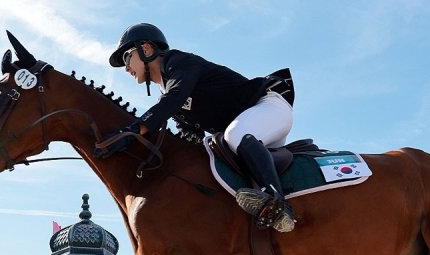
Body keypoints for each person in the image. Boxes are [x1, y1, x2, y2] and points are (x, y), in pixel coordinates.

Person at [98, 23, 296, 232]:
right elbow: (190, 138)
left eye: (127, 58)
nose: (126, 68)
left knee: (235, 135)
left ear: (146, 49)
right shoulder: (172, 99)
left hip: (270, 107)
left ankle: (277, 204)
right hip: (252, 134)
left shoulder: (178, 62)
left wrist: (132, 131)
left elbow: (172, 99)